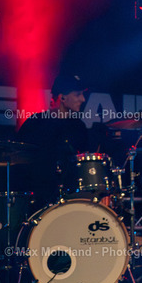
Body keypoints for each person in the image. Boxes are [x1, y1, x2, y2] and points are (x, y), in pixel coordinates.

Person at [17, 74, 89, 206]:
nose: (83, 99)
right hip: (38, 197)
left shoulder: (79, 126)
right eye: (78, 95)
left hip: (71, 196)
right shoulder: (35, 124)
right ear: (62, 98)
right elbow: (19, 158)